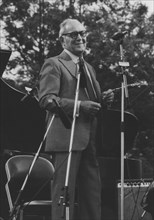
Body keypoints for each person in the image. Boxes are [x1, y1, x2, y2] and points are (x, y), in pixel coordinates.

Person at [38, 18, 114, 220]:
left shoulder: (89, 68)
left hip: (89, 139)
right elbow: (46, 99)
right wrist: (80, 106)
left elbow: (92, 102)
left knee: (92, 193)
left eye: (82, 33)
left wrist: (104, 101)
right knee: (64, 195)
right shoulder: (54, 64)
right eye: (73, 34)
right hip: (66, 138)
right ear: (63, 41)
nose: (80, 37)